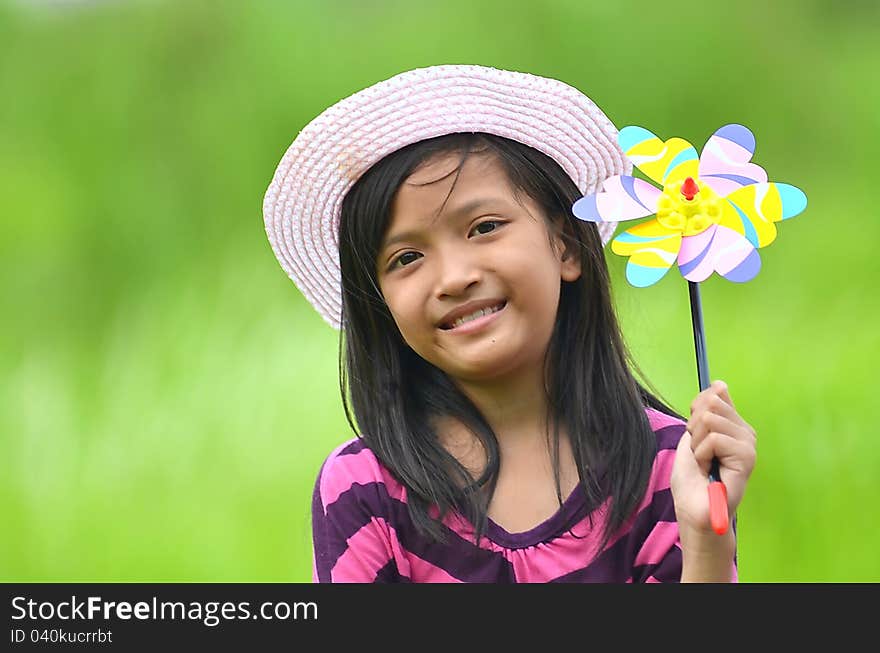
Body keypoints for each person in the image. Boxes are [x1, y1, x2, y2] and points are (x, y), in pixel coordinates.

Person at [262, 65, 757, 582]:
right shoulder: (365, 490)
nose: (453, 277)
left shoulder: (673, 468)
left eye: (485, 227)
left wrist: (706, 541)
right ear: (381, 303)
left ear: (565, 245)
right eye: (406, 258)